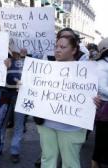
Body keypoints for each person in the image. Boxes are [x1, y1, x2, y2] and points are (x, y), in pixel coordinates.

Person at [37, 33, 87, 168]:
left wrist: (95, 100)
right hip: (47, 125)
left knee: (70, 163)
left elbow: (92, 94)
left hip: (71, 128)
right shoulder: (45, 69)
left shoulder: (86, 71)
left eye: (63, 47)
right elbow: (36, 90)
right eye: (56, 46)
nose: (57, 50)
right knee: (47, 160)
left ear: (74, 50)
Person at [92, 38, 108, 168]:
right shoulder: (101, 65)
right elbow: (101, 88)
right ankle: (95, 161)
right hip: (104, 106)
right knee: (102, 136)